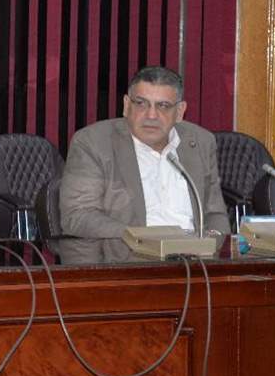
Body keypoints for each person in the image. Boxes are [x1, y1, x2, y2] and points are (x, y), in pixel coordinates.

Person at [58, 66, 229, 264]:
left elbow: (215, 214)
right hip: (130, 263)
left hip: (197, 263)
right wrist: (145, 238)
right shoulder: (93, 142)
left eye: (163, 106)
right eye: (141, 104)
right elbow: (77, 216)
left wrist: (211, 247)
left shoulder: (201, 142)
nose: (151, 115)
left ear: (180, 112)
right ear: (126, 105)